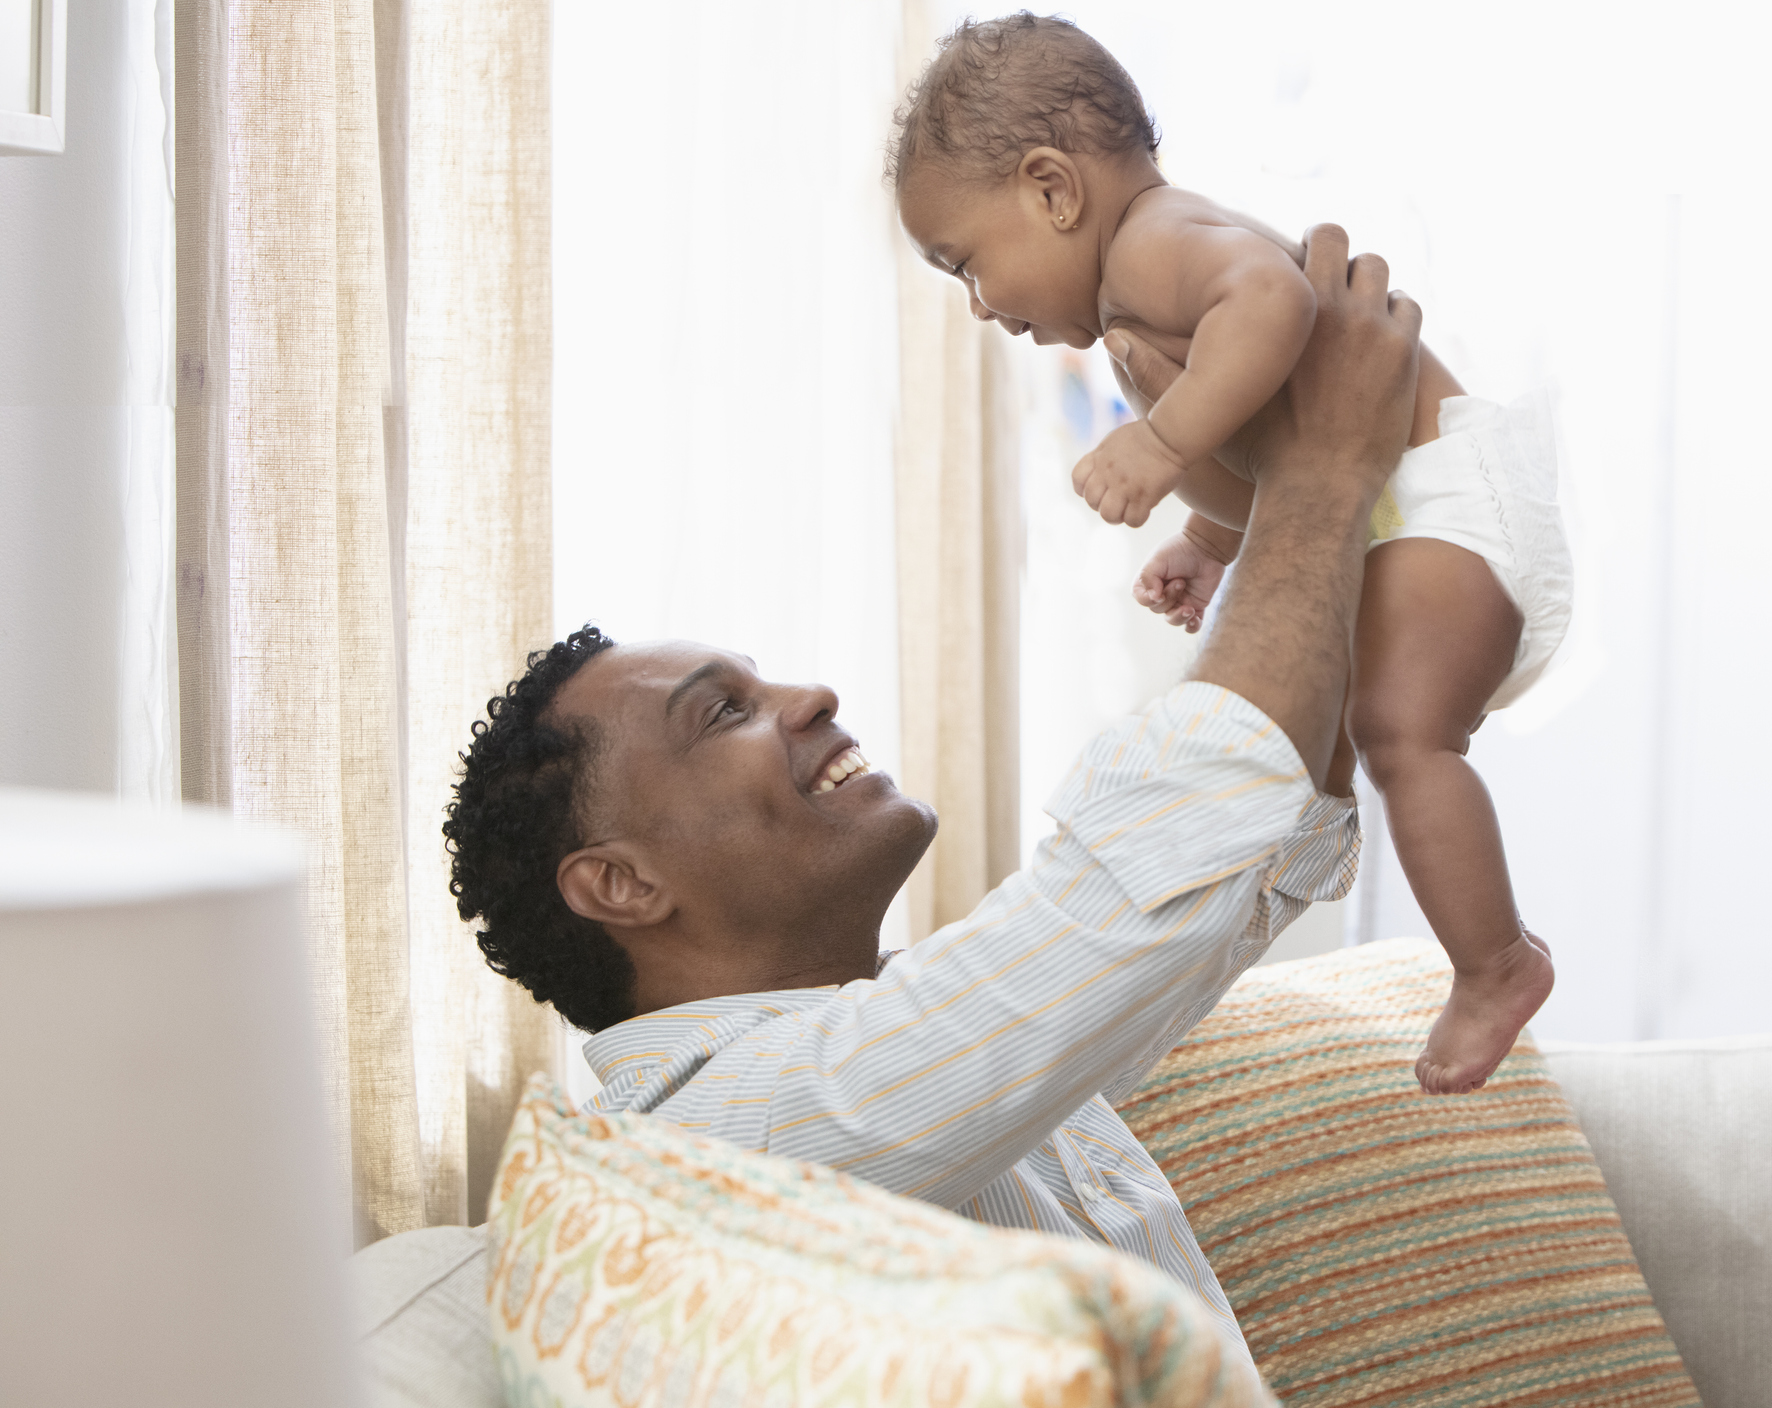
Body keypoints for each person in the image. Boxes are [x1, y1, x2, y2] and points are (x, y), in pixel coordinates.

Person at [442, 228, 1417, 1352]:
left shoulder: (894, 1034)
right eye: (723, 711)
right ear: (620, 882)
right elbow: (1156, 869)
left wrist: (1321, 504)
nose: (809, 694)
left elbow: (1248, 860)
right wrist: (1323, 469)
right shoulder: (714, 1146)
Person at [890, 13, 1571, 1095]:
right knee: (1361, 736)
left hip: (1445, 501)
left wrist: (1160, 441)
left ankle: (1497, 963)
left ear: (1053, 189)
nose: (979, 305)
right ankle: (1477, 955)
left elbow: (1278, 300)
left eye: (967, 264)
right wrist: (1212, 535)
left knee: (1401, 731)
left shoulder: (1156, 242)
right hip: (1406, 513)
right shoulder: (1143, 288)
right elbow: (1276, 421)